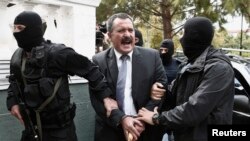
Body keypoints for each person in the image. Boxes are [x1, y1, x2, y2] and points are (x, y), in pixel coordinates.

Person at [6, 11, 113, 141]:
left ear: (34, 29)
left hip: (60, 132)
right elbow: (14, 83)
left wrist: (106, 97)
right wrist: (12, 102)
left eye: (20, 28)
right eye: (14, 27)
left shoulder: (58, 53)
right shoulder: (17, 57)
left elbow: (91, 71)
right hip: (32, 129)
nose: (16, 32)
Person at [137, 16, 235, 141]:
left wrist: (157, 118)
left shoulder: (219, 68)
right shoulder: (188, 64)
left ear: (194, 37)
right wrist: (161, 90)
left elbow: (195, 109)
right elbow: (174, 94)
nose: (181, 38)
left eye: (184, 33)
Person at [89, 13, 167, 141]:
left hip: (144, 129)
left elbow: (161, 88)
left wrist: (141, 120)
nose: (127, 34)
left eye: (130, 30)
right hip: (111, 130)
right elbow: (97, 99)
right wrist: (122, 119)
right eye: (121, 30)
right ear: (109, 36)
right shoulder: (98, 60)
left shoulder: (152, 57)